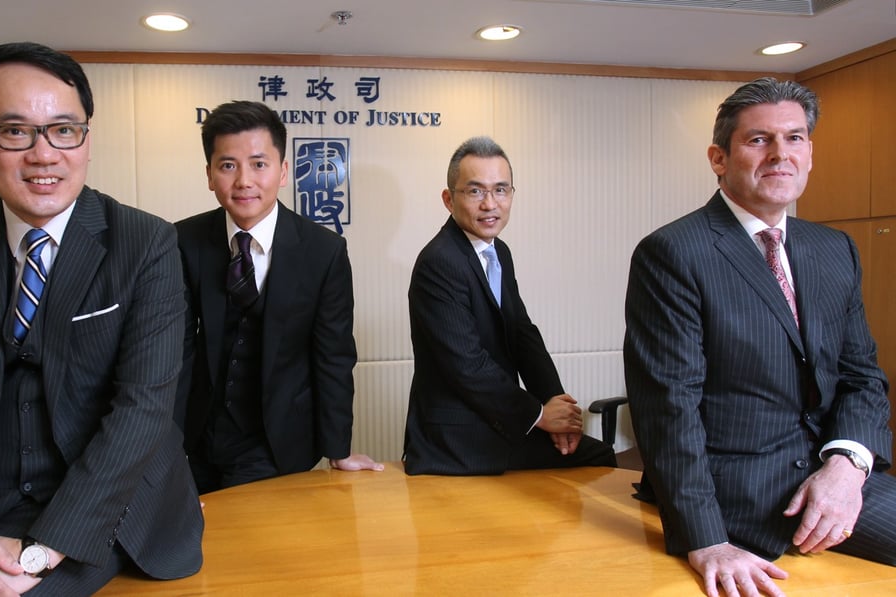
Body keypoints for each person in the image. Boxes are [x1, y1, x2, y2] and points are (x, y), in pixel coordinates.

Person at [0, 42, 203, 596]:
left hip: (104, 507)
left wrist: (38, 554)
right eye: (15, 131)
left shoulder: (145, 242)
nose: (44, 154)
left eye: (64, 130)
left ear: (87, 140)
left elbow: (142, 411)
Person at [624, 77, 896, 597]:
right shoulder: (674, 252)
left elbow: (862, 378)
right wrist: (706, 540)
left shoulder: (834, 248)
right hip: (734, 500)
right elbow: (668, 407)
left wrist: (846, 466)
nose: (780, 154)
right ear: (718, 158)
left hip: (833, 481)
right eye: (758, 140)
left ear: (810, 153)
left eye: (794, 138)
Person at [176, 100, 382, 493]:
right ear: (209, 175)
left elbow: (334, 355)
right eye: (227, 165)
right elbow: (175, 354)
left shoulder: (324, 251)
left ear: (284, 171)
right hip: (197, 440)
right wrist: (164, 453)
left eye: (259, 164)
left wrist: (338, 448)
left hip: (278, 443)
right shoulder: (182, 242)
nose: (244, 181)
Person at [403, 136, 616, 475]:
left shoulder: (497, 251)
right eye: (475, 191)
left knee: (595, 454)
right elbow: (467, 366)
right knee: (599, 458)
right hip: (459, 436)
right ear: (448, 199)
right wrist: (540, 415)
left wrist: (556, 404)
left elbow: (522, 335)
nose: (490, 204)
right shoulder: (439, 261)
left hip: (496, 420)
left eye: (501, 190)